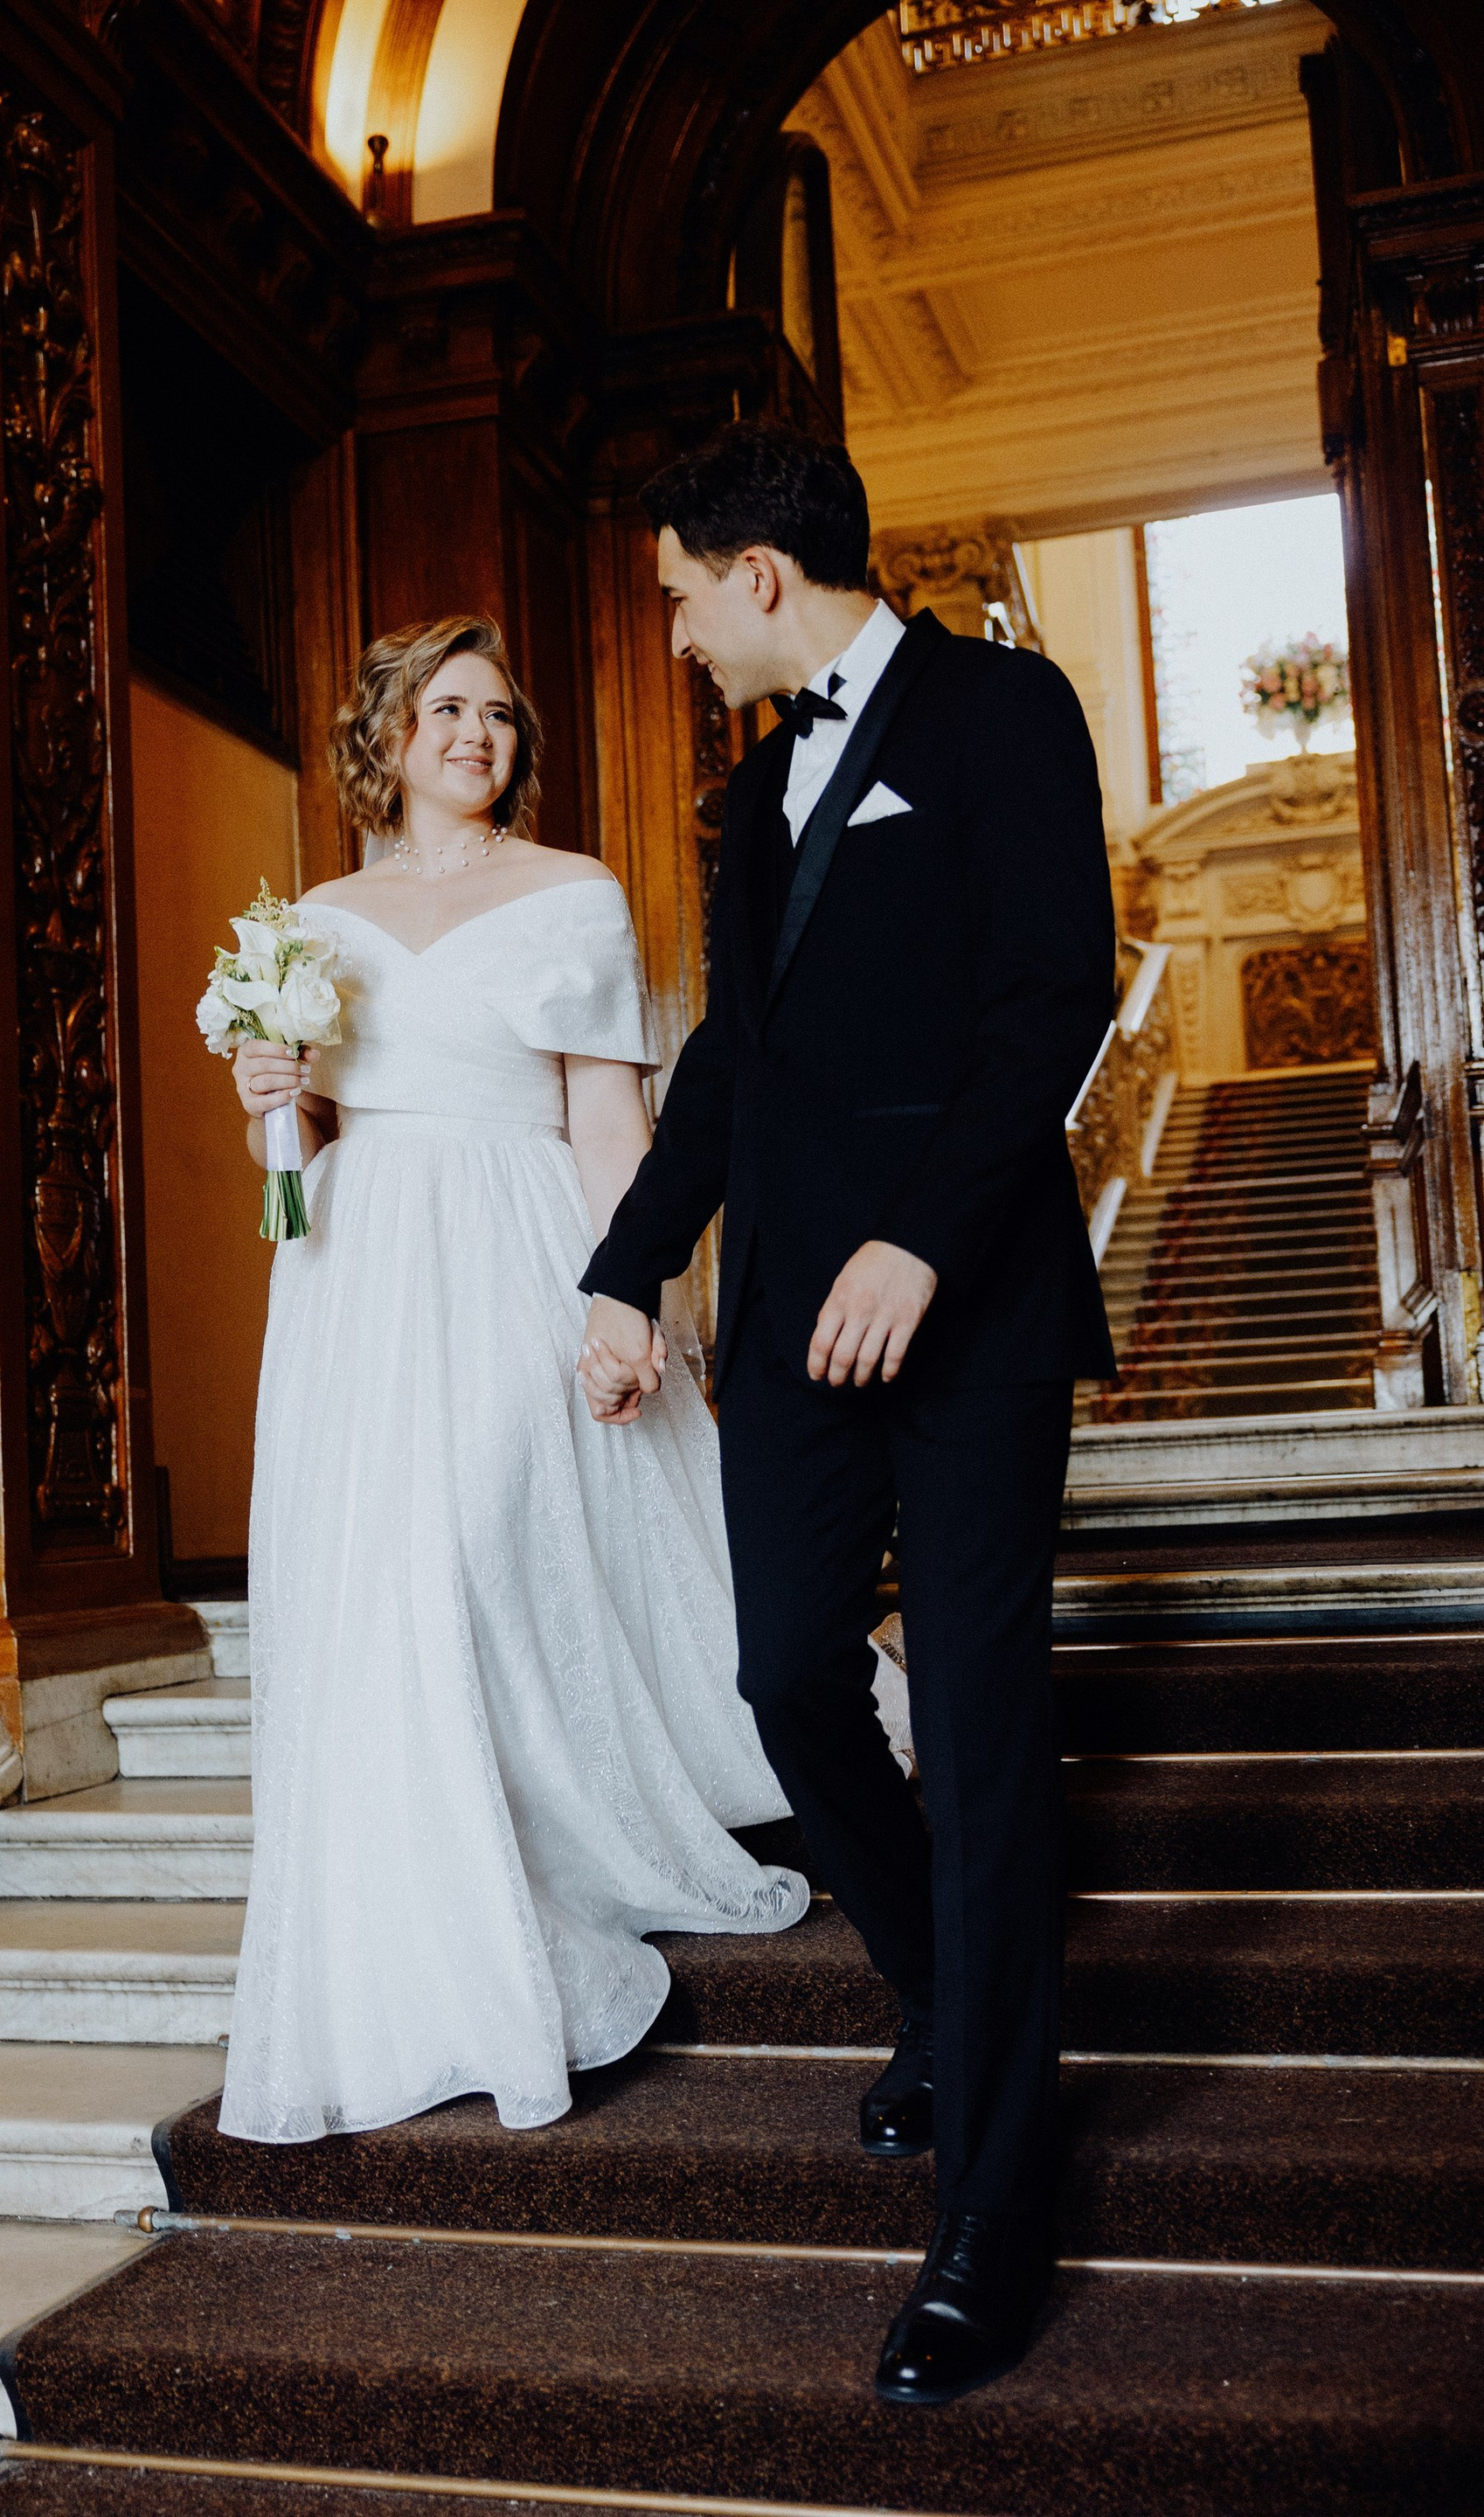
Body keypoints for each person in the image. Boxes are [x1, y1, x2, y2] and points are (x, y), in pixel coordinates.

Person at [578, 422, 1116, 2404]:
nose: (674, 636)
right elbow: (734, 1055)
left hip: (968, 1311)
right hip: (793, 1318)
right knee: (788, 1677)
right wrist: (629, 1265)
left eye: (678, 597)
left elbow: (1055, 996)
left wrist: (924, 1240)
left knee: (975, 1728)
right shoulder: (752, 794)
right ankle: (944, 1991)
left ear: (759, 576)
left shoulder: (1004, 710)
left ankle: (995, 2201)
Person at [218, 614, 808, 2146]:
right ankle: (431, 1904)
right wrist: (272, 1097)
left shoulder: (573, 892)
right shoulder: (315, 919)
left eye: (495, 713)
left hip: (514, 1242)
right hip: (356, 1273)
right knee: (382, 1581)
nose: (474, 732)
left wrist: (634, 1295)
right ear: (389, 736)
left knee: (473, 1542)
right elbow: (301, 1157)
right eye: (446, 708)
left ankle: (555, 1834)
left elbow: (609, 1120)